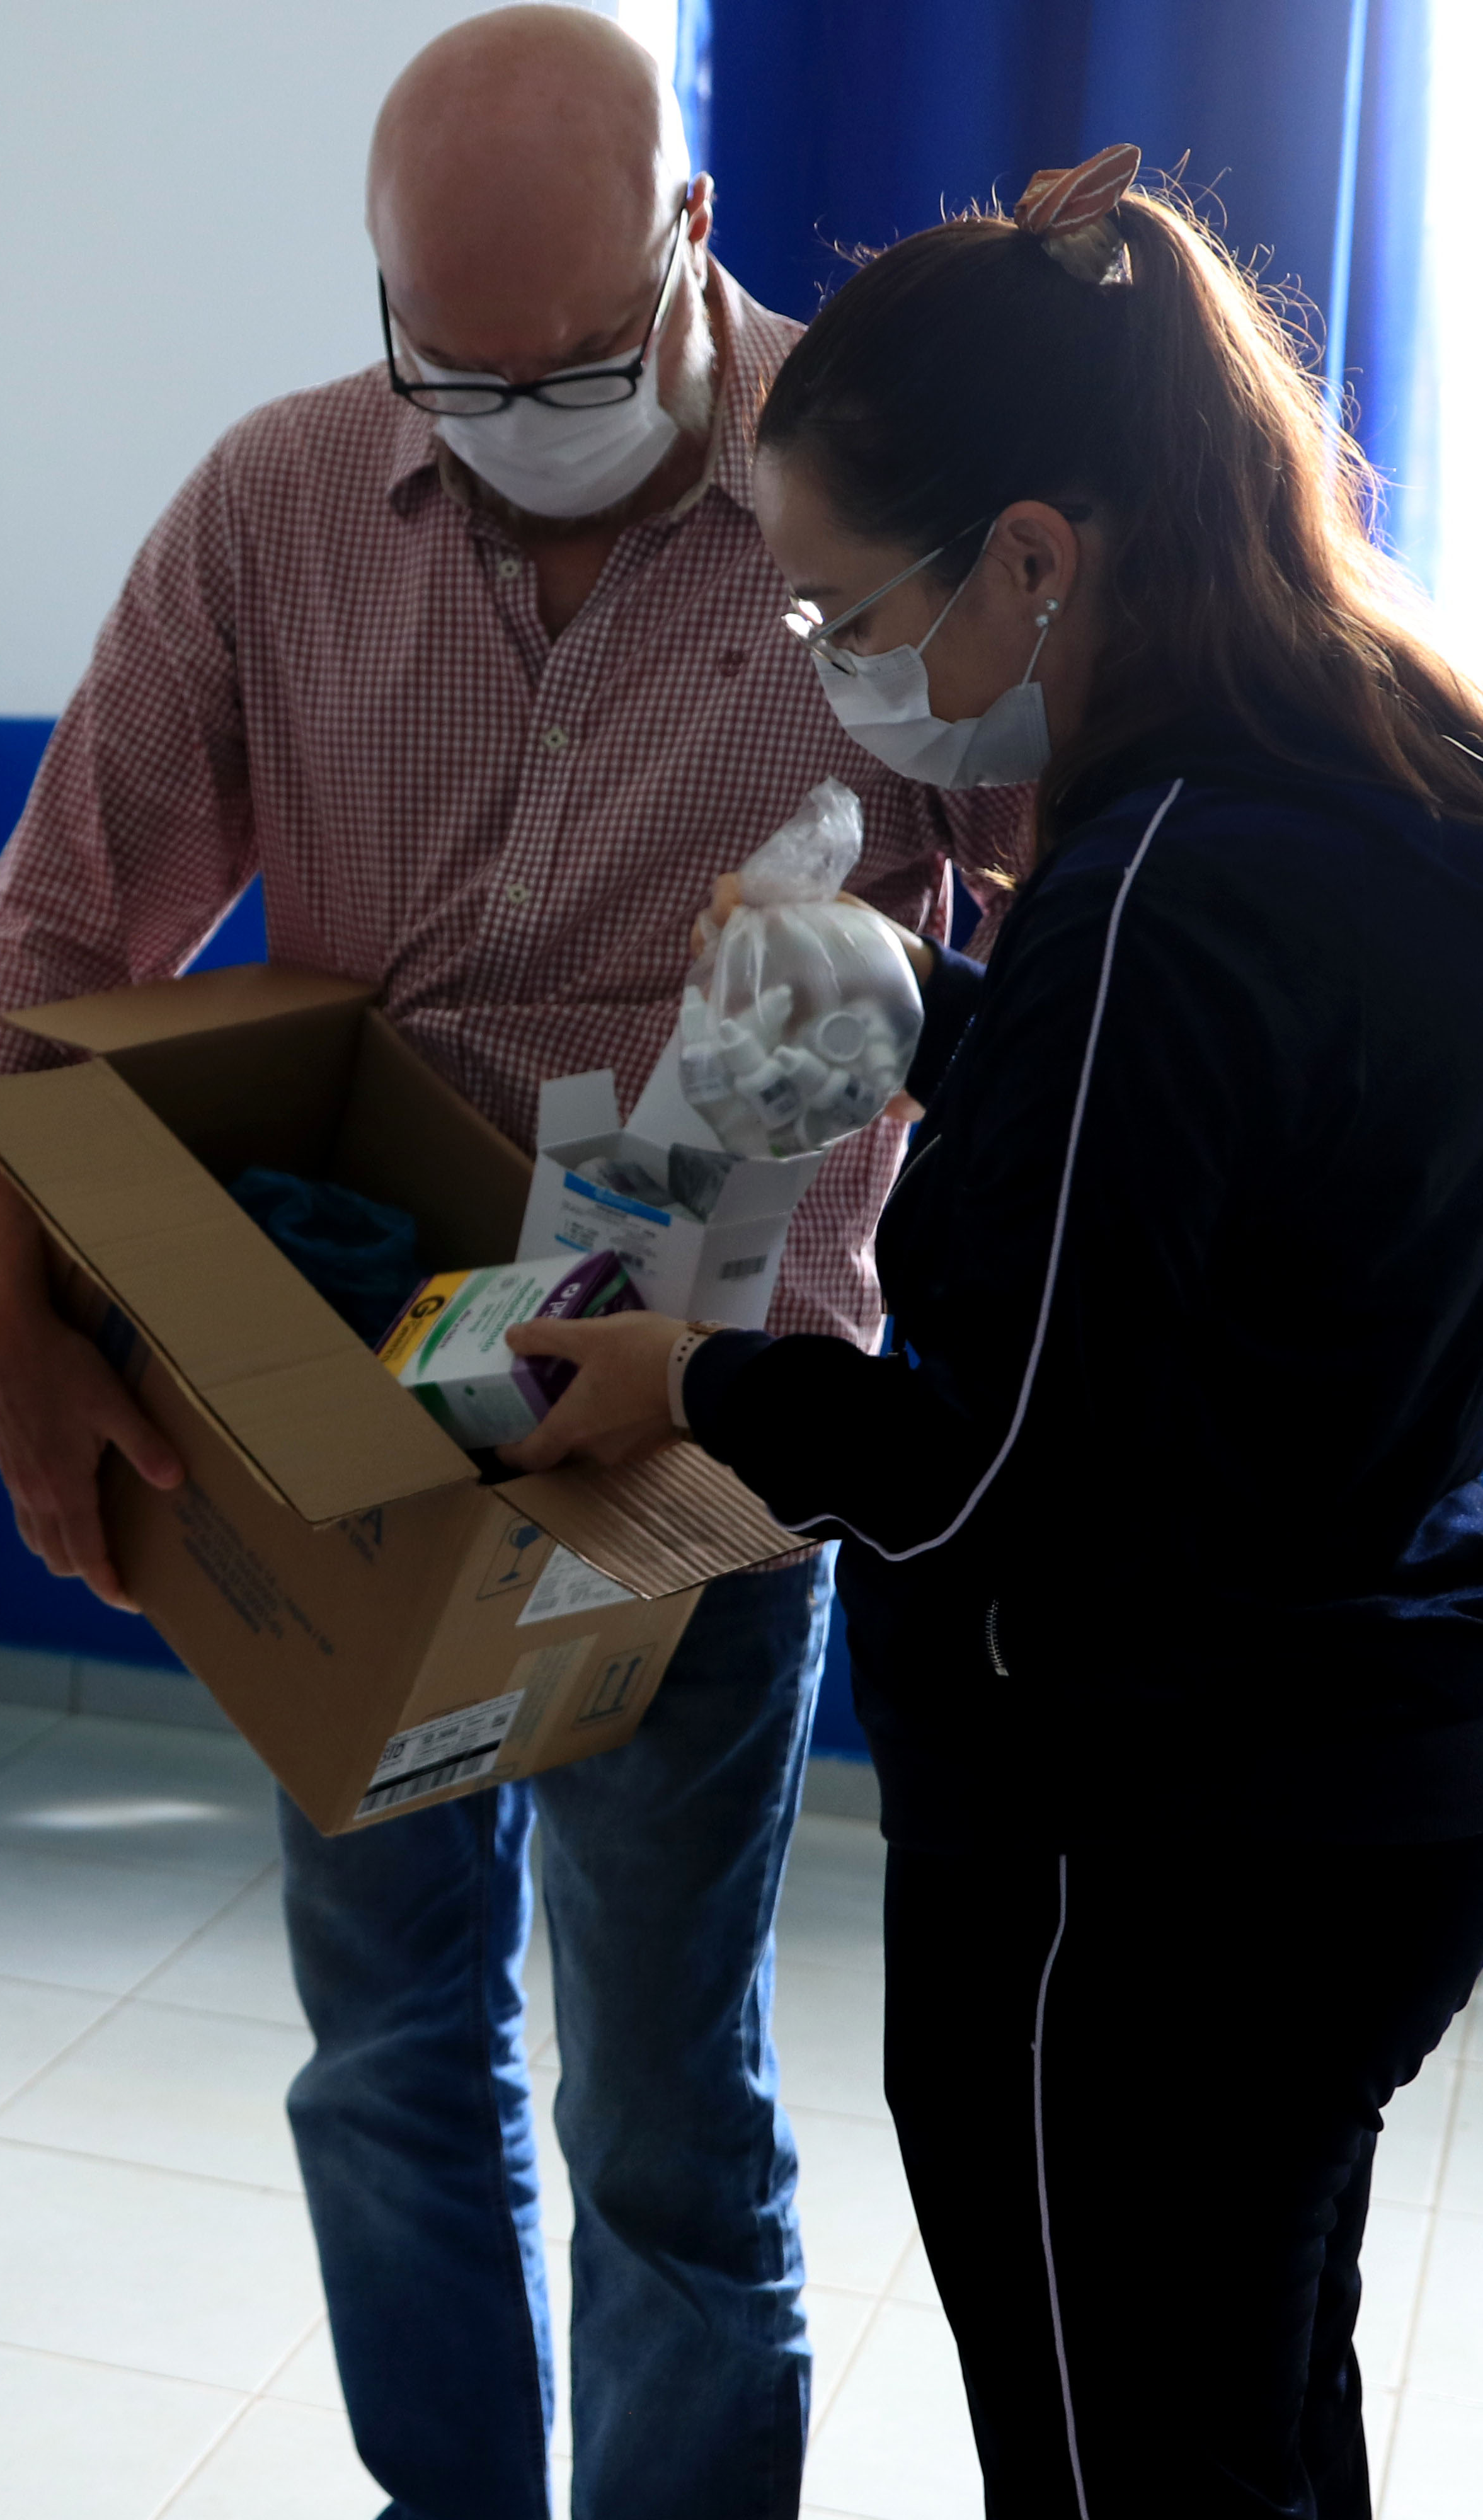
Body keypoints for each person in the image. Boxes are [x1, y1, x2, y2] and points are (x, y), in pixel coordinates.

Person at [0, 13, 1027, 2512]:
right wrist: (6, 1311)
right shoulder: (284, 502)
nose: (516, 419)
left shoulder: (872, 477)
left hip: (709, 1435)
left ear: (693, 240)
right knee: (390, 2059)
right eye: (457, 364)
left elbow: (1070, 941)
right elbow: (56, 924)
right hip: (365, 1415)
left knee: (663, 2108)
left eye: (577, 360)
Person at [508, 149, 1483, 2518]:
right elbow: (1241, 1214)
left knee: (1117, 2451)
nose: (831, 669)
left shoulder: (1151, 883)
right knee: (1260, 2402)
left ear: (1036, 555)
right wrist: (940, 1017)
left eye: (849, 611)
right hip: (1384, 1781)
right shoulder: (1399, 768)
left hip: (1132, 1862)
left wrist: (694, 1380)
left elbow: (1001, 1478)